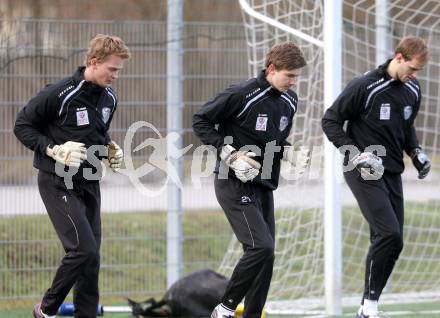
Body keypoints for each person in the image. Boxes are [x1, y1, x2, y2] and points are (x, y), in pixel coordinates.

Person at [14, 34, 130, 318]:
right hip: (57, 182)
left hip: (89, 182)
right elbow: (23, 125)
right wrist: (52, 150)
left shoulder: (109, 98)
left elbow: (96, 133)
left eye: (119, 70)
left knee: (91, 262)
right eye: (112, 69)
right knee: (83, 250)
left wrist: (109, 147)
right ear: (93, 62)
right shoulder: (60, 93)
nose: (115, 75)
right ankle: (46, 310)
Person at [193, 42, 309, 318]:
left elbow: (276, 139)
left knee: (265, 257)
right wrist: (229, 154)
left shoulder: (290, 101)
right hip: (233, 182)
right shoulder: (242, 94)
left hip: (263, 186)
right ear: (271, 69)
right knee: (261, 246)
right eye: (289, 75)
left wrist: (289, 151)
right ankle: (225, 308)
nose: (293, 82)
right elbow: (201, 121)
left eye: (296, 76)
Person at [322, 36, 431, 318]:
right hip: (362, 168)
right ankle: (368, 307)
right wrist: (355, 153)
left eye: (418, 72)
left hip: (392, 170)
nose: (414, 76)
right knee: (388, 233)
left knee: (394, 241)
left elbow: (406, 127)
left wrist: (416, 152)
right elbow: (330, 120)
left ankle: (368, 305)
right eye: (412, 68)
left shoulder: (413, 89)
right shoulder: (365, 86)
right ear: (398, 57)